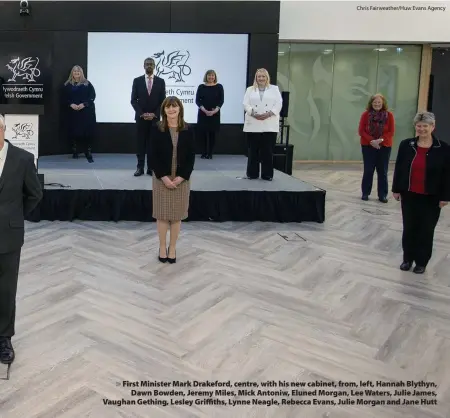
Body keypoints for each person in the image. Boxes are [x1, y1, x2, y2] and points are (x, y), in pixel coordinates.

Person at [0, 114, 42, 365]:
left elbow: (35, 194)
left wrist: (16, 216)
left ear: (3, 129)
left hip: (9, 234)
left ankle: (4, 338)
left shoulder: (23, 159)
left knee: (6, 289)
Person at [392, 111, 450, 274]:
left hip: (432, 197)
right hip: (410, 194)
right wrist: (396, 189)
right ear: (415, 127)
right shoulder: (406, 145)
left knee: (426, 230)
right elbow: (400, 168)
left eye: (425, 126)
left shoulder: (443, 148)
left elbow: (447, 174)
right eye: (419, 126)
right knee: (409, 228)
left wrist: (446, 196)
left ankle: (421, 262)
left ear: (433, 127)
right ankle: (407, 259)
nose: (422, 129)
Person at [150, 97, 195, 264]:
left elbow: (191, 157)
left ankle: (173, 248)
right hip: (162, 178)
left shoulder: (188, 129)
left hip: (181, 179)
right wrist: (164, 178)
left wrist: (181, 177)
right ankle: (162, 247)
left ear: (180, 109)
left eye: (174, 107)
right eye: (168, 107)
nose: (171, 110)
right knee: (162, 215)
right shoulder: (157, 129)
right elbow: (152, 155)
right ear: (164, 110)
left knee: (176, 216)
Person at [243, 68, 282, 181]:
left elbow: (279, 103)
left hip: (269, 124)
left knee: (267, 151)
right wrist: (253, 113)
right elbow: (245, 103)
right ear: (256, 78)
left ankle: (267, 174)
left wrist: (269, 113)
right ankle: (252, 173)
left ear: (267, 77)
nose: (261, 78)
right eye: (259, 76)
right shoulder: (250, 89)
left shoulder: (274, 89)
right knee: (253, 151)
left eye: (263, 76)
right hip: (253, 123)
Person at [131, 57, 166, 177]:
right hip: (141, 118)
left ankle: (151, 168)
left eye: (151, 64)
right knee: (140, 144)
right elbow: (133, 100)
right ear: (143, 66)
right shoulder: (137, 81)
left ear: (154, 66)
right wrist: (142, 113)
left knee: (153, 145)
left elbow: (163, 101)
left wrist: (155, 114)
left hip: (155, 119)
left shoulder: (161, 81)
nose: (149, 66)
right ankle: (139, 168)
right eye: (147, 64)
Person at [358, 93, 395, 203]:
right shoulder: (365, 115)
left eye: (379, 102)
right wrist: (372, 141)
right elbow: (361, 131)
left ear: (383, 103)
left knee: (382, 171)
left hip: (384, 146)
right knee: (368, 170)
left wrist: (380, 140)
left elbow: (391, 131)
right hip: (368, 146)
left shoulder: (389, 115)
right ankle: (365, 193)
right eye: (375, 102)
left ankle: (382, 195)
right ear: (371, 103)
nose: (377, 104)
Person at [63, 65, 96, 162]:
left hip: (85, 112)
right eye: (75, 72)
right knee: (74, 132)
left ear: (81, 73)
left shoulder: (87, 84)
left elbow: (92, 96)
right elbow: (63, 98)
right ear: (72, 73)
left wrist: (84, 104)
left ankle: (88, 151)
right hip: (72, 112)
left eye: (78, 72)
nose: (76, 73)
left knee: (87, 132)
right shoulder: (67, 85)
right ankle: (75, 151)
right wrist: (70, 104)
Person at [195, 70, 224, 159]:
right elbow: (197, 100)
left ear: (215, 77)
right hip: (203, 113)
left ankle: (210, 153)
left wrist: (214, 111)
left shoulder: (219, 87)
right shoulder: (201, 87)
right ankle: (203, 153)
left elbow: (221, 100)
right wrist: (205, 110)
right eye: (209, 75)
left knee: (212, 134)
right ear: (206, 76)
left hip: (214, 114)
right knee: (202, 134)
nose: (211, 77)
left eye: (212, 75)